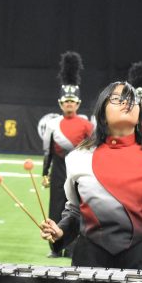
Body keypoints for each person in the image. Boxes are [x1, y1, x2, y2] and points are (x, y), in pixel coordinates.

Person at [40, 81, 142, 270]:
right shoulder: (78, 157)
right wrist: (60, 232)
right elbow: (75, 212)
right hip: (87, 268)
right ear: (102, 111)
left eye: (131, 99)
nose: (126, 102)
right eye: (117, 98)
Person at [41, 51, 93, 258]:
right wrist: (45, 173)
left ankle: (71, 248)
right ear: (60, 103)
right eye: (66, 102)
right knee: (55, 207)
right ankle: (56, 248)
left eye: (73, 101)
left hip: (79, 172)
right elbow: (48, 152)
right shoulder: (53, 124)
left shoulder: (87, 125)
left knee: (76, 209)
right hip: (59, 171)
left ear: (78, 104)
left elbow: (91, 151)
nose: (69, 104)